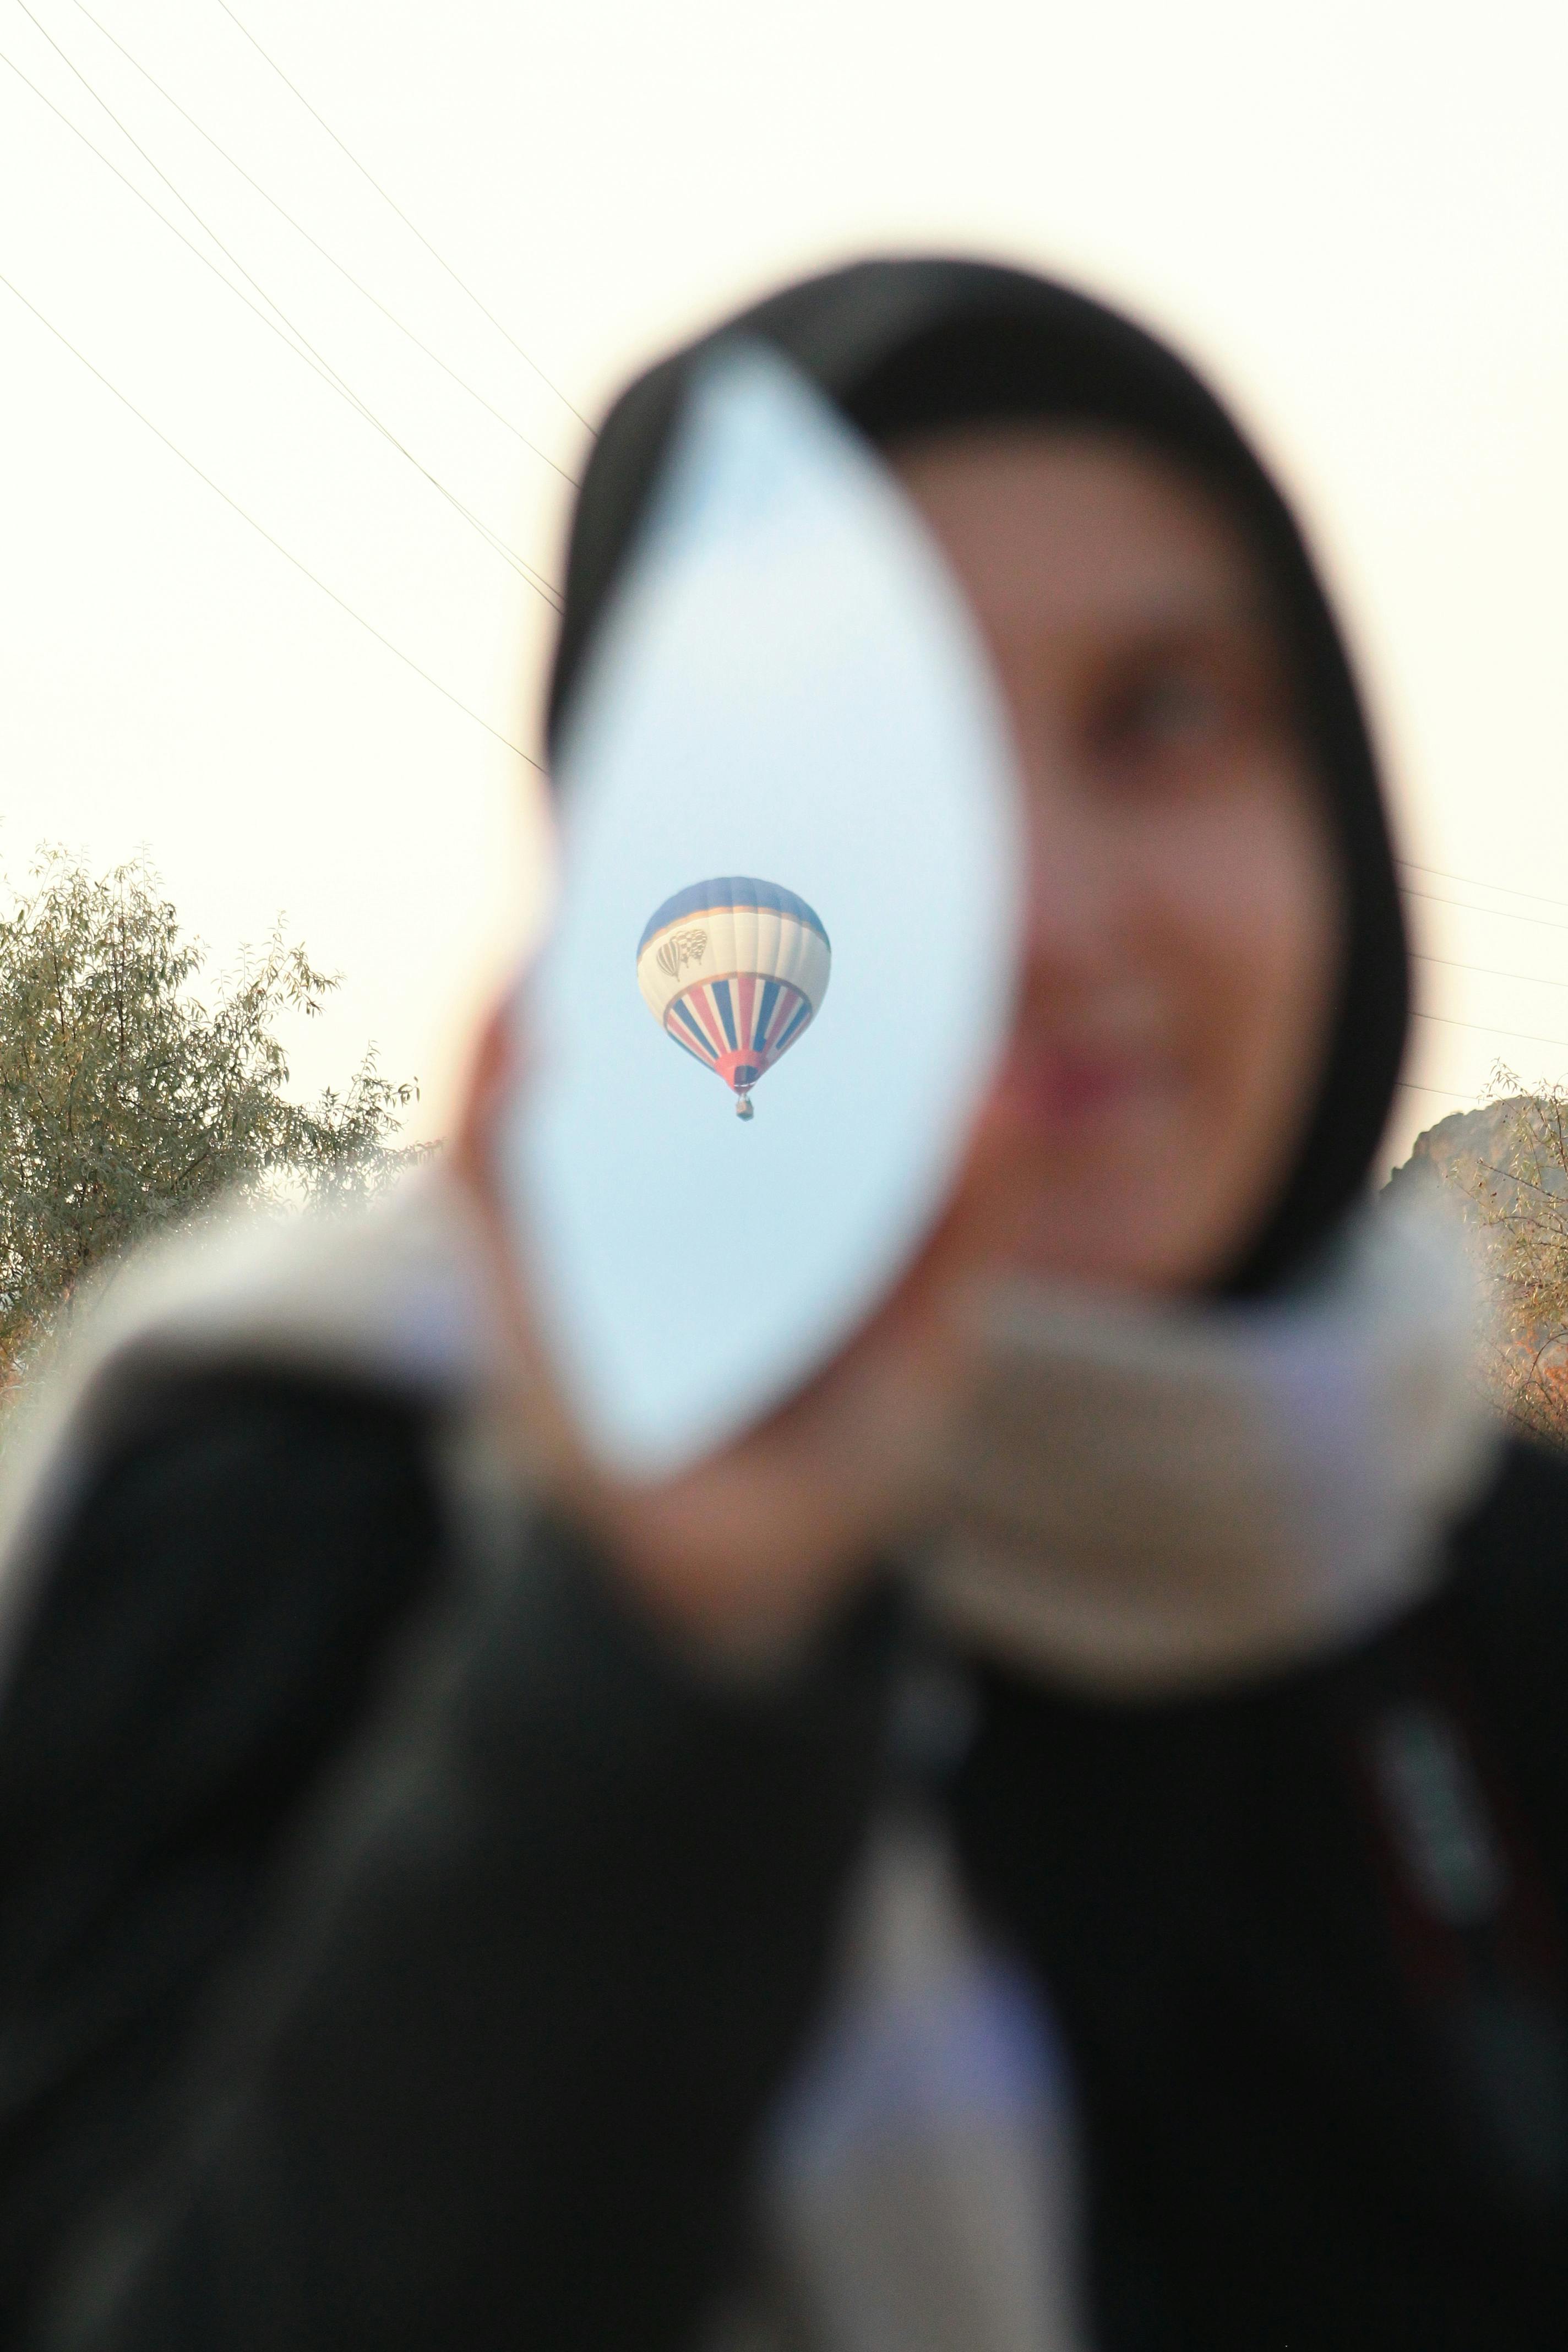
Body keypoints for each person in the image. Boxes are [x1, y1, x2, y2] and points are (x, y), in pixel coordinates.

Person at [0, 258, 1563, 2352]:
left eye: (1161, 718)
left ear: (1337, 823)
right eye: (878, 754)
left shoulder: (1485, 1585)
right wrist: (640, 1668)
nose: (1044, 910)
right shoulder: (284, 1528)